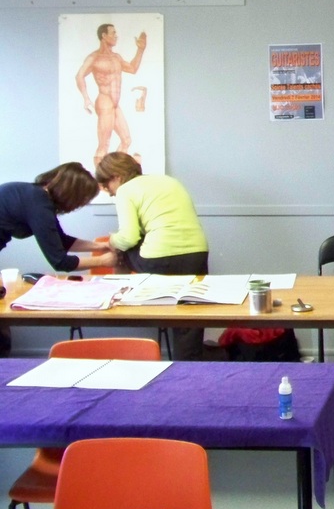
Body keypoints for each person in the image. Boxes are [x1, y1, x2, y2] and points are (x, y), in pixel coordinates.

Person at [95, 152, 209, 360]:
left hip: (159, 259)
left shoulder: (125, 190)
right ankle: (190, 370)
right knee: (189, 317)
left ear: (116, 177)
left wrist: (111, 241)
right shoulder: (169, 181)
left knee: (120, 245)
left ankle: (116, 295)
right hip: (197, 253)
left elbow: (128, 238)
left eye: (106, 186)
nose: (109, 193)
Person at [0, 162, 118, 357]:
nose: (78, 206)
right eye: (81, 200)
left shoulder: (36, 196)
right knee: (2, 335)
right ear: (72, 194)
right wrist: (104, 261)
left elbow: (61, 241)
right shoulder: (38, 203)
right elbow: (60, 261)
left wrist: (100, 246)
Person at [75, 23, 147, 167]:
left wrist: (140, 49)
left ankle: (115, 172)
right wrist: (86, 98)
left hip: (115, 104)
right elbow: (79, 76)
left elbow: (132, 69)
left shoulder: (116, 57)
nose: (116, 36)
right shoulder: (94, 57)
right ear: (104, 35)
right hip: (104, 101)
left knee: (126, 140)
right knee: (104, 144)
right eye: (113, 33)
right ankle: (101, 181)